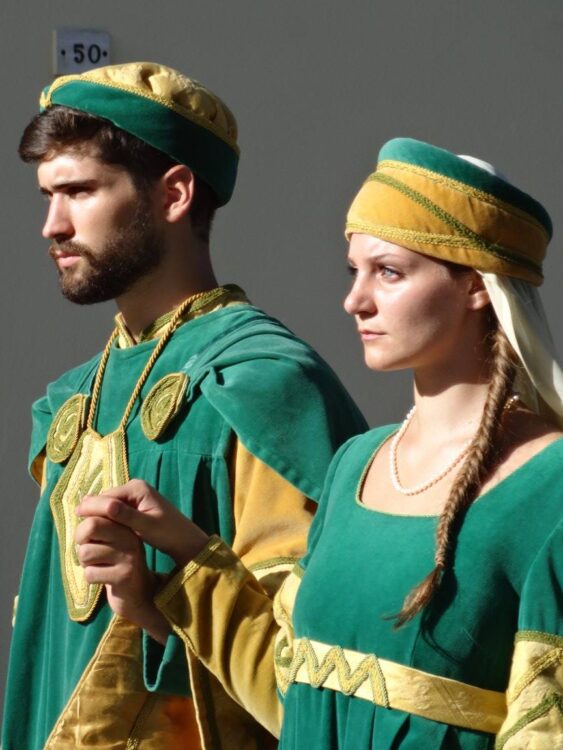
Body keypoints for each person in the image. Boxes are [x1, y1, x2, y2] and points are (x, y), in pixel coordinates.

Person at [77, 138, 563, 749]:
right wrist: (183, 552)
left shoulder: (550, 488)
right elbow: (290, 691)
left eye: (389, 272)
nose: (355, 300)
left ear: (476, 285)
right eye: (354, 271)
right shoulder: (355, 464)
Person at [2, 62, 368, 750]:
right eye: (47, 195)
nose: (52, 224)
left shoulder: (261, 384)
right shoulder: (69, 403)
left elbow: (310, 678)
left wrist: (159, 603)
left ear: (173, 194)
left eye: (79, 191)